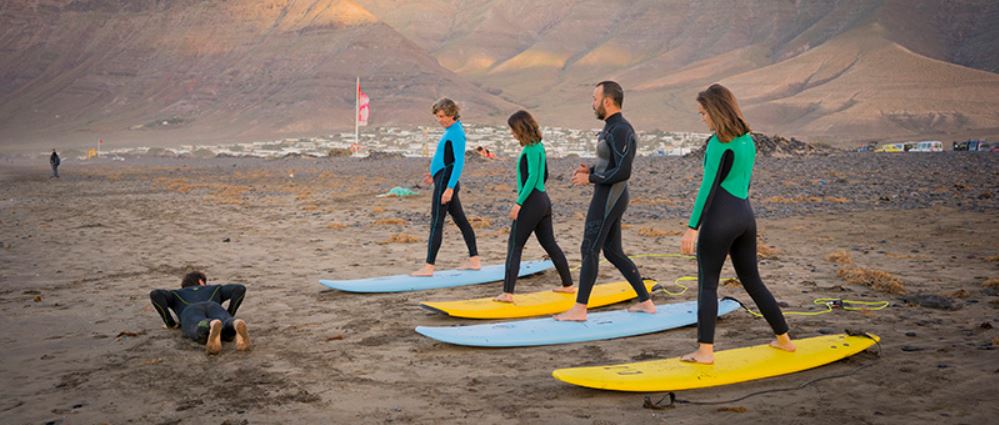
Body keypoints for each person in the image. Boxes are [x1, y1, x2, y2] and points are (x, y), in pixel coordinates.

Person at [678, 84, 795, 364]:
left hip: (720, 220)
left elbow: (708, 187)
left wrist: (692, 228)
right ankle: (784, 340)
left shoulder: (719, 144)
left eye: (703, 113)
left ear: (716, 112)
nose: (702, 118)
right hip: (745, 216)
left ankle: (705, 351)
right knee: (752, 280)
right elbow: (744, 181)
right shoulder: (748, 141)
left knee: (708, 284)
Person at [554, 81, 655, 321]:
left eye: (594, 99)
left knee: (589, 248)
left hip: (611, 196)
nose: (593, 104)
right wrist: (588, 170)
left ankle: (579, 309)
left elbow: (623, 171)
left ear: (607, 101)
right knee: (612, 251)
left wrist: (591, 178)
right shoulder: (610, 128)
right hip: (608, 194)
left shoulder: (621, 129)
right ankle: (646, 301)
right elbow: (607, 163)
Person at [494, 111, 574, 303]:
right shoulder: (539, 146)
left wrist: (519, 203)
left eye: (513, 130)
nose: (512, 133)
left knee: (515, 245)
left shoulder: (530, 149)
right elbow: (544, 174)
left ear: (520, 129)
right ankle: (568, 285)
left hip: (531, 201)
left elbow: (531, 178)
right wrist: (537, 197)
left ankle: (508, 293)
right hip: (543, 200)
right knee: (550, 244)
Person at [412, 98, 480, 276]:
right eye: (437, 117)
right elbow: (445, 157)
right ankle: (474, 261)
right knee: (461, 221)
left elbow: (458, 163)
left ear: (451, 114)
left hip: (446, 181)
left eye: (442, 116)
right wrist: (433, 174)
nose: (439, 120)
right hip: (442, 179)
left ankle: (429, 267)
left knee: (436, 222)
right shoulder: (451, 130)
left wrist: (449, 188)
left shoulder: (456, 133)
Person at [149, 271, 251, 355]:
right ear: (201, 281)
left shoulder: (176, 294)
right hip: (214, 306)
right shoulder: (214, 288)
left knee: (198, 324)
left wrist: (170, 323)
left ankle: (210, 324)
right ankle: (234, 323)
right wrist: (229, 313)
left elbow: (155, 294)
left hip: (190, 310)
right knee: (225, 321)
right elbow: (239, 288)